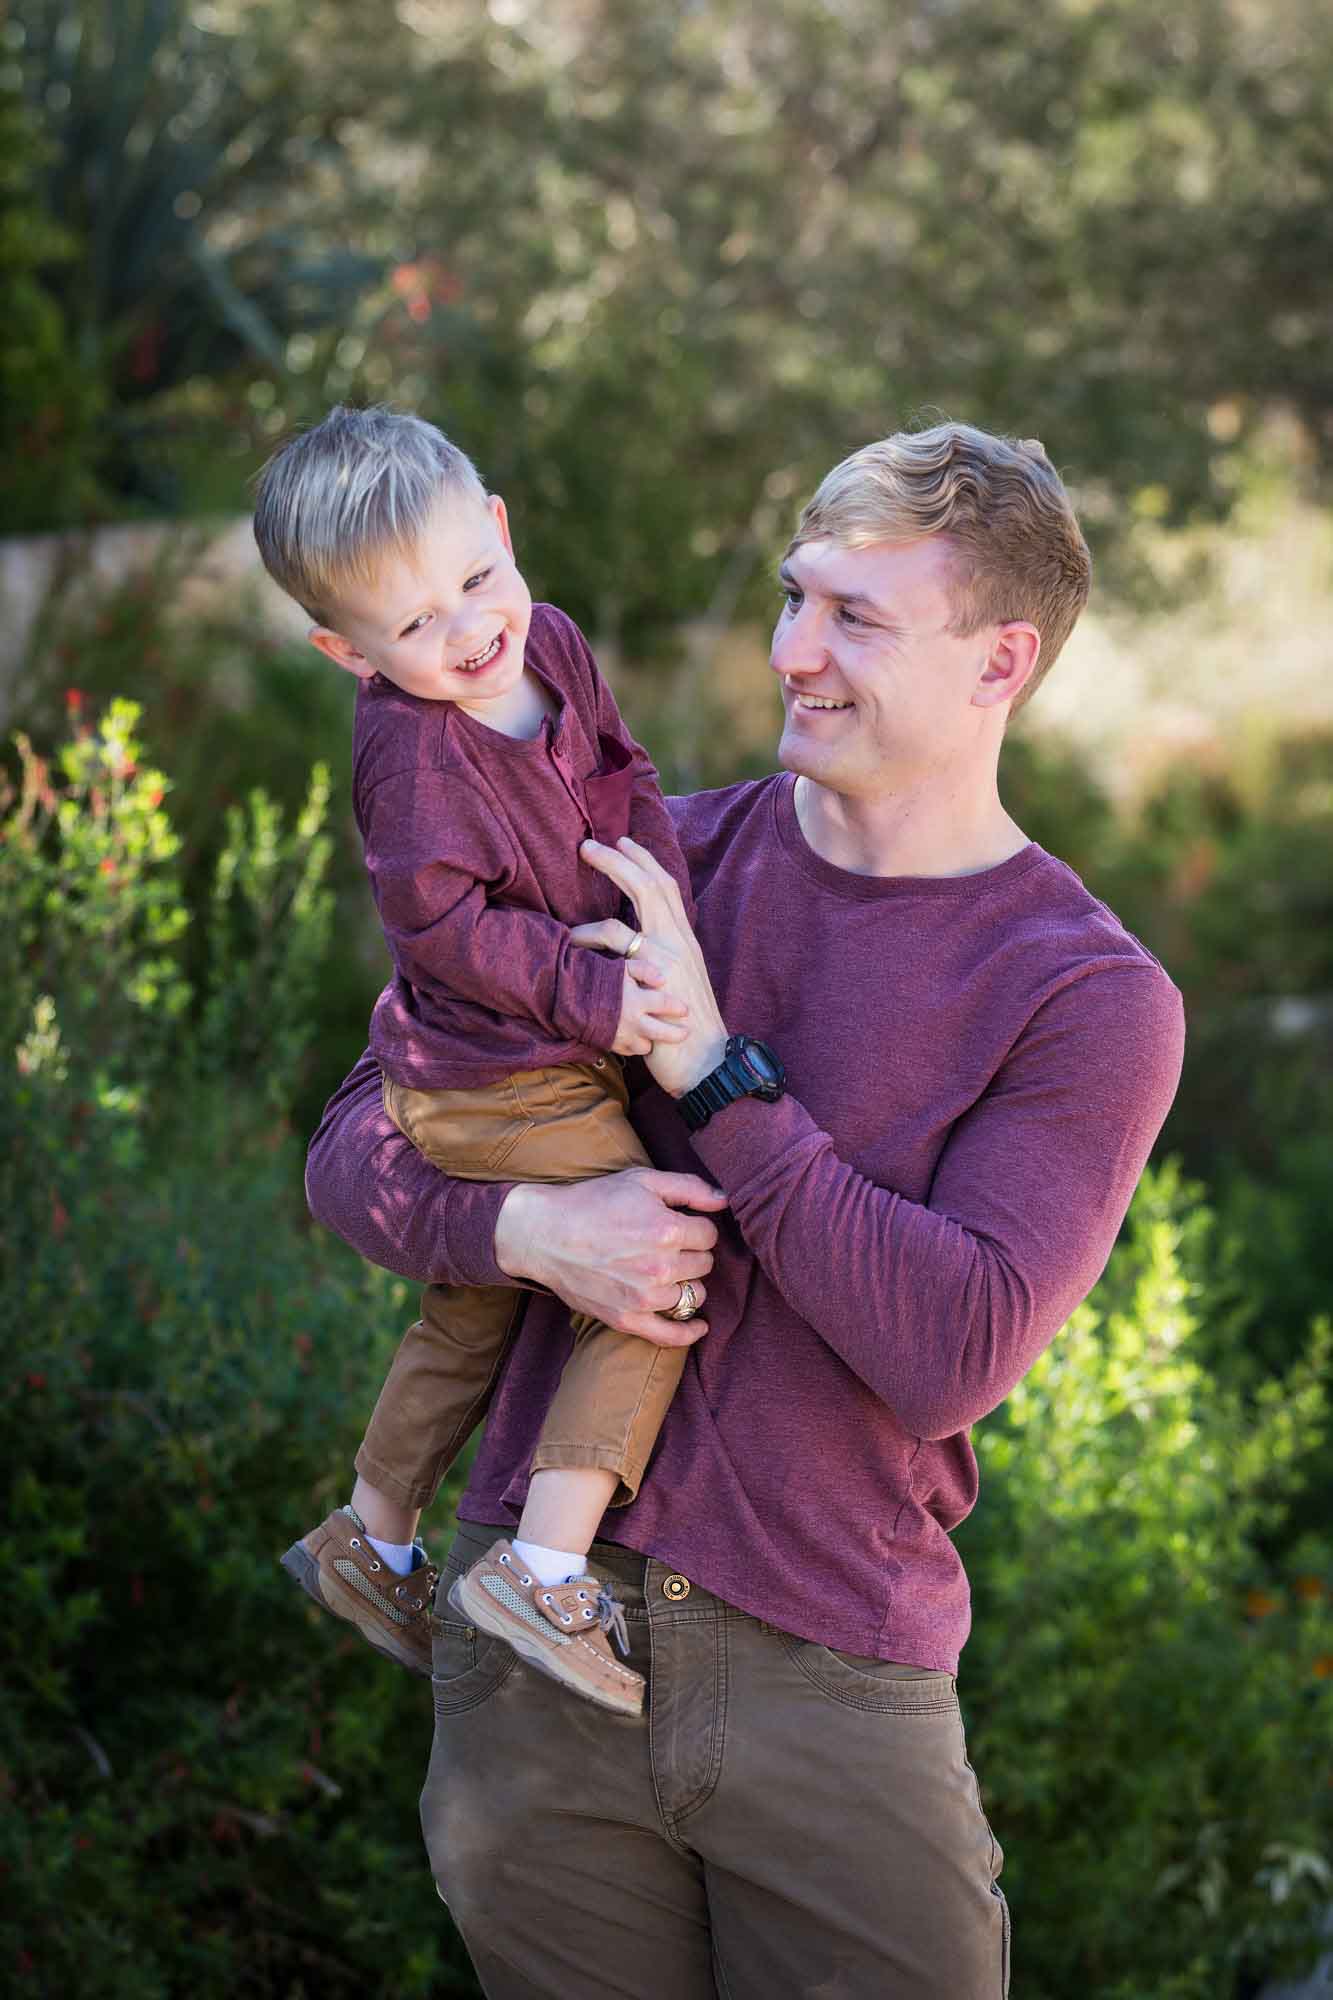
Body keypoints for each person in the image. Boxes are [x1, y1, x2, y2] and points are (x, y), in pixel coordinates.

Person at [304, 422, 1186, 1999]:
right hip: (534, 1654)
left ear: (1000, 663)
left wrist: (713, 1069)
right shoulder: (652, 859)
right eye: (795, 596)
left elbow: (949, 1349)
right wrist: (520, 1237)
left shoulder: (1083, 994)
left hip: (828, 1681)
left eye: (855, 620)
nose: (791, 653)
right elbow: (353, 1143)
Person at [254, 404, 717, 1717]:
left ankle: (372, 1532)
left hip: (532, 1048)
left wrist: (658, 919)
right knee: (653, 1276)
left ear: (501, 531)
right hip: (490, 1076)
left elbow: (624, 781)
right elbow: (442, 933)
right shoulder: (412, 766)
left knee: (476, 1303)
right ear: (346, 652)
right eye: (414, 625)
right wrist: (593, 990)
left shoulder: (551, 642)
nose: (467, 630)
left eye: (476, 578)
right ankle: (544, 1565)